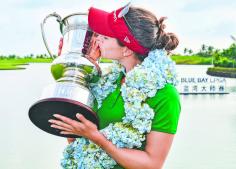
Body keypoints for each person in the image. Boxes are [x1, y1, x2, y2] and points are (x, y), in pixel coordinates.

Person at [49, 3, 181, 169]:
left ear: (126, 49)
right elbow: (75, 139)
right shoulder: (105, 81)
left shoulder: (165, 95)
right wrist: (73, 69)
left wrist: (97, 138)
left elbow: (152, 164)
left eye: (105, 37)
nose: (97, 39)